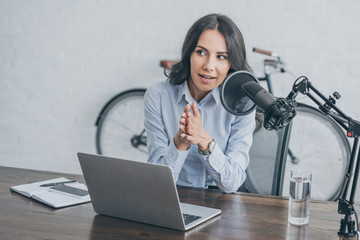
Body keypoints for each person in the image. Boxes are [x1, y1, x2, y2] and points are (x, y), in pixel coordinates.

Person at [144, 13, 258, 193]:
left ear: (232, 63)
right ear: (189, 53)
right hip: (174, 197)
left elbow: (232, 183)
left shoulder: (242, 103)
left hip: (223, 202)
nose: (209, 66)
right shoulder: (157, 96)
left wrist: (205, 141)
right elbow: (157, 183)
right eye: (201, 52)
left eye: (221, 56)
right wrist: (179, 143)